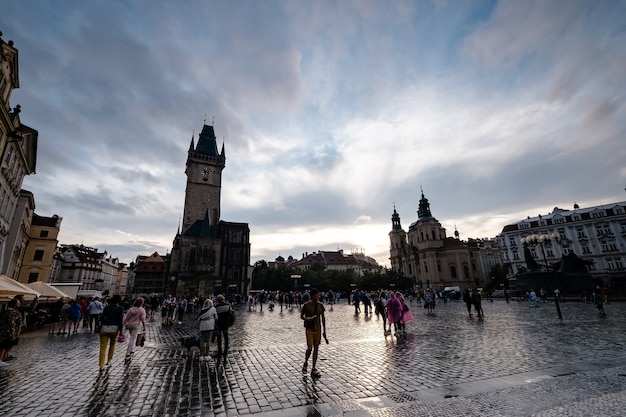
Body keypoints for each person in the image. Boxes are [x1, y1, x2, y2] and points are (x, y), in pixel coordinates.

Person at [300, 288, 326, 378]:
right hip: (310, 329)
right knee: (310, 348)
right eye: (315, 296)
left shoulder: (320, 305)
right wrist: (306, 318)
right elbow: (301, 316)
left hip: (318, 329)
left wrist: (324, 330)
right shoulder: (306, 305)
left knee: (316, 348)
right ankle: (306, 362)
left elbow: (323, 318)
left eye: (318, 296)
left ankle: (314, 367)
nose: (317, 298)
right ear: (311, 296)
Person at [98, 295, 124, 370]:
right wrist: (121, 330)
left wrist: (105, 323)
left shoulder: (107, 307)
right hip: (114, 329)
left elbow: (102, 317)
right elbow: (120, 320)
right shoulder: (120, 308)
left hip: (104, 328)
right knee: (112, 345)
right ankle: (109, 361)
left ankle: (101, 364)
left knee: (103, 347)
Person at [0, 297, 24, 366]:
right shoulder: (12, 313)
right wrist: (13, 333)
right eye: (18, 303)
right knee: (3, 346)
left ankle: (4, 357)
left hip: (8, 332)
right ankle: (2, 359)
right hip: (8, 332)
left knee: (6, 345)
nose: (19, 304)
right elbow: (11, 324)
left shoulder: (7, 311)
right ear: (15, 304)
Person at [213, 294, 233, 359]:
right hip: (225, 324)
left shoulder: (216, 306)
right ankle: (225, 351)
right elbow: (231, 313)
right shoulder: (228, 305)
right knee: (226, 337)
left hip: (219, 324)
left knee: (219, 338)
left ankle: (219, 351)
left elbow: (214, 316)